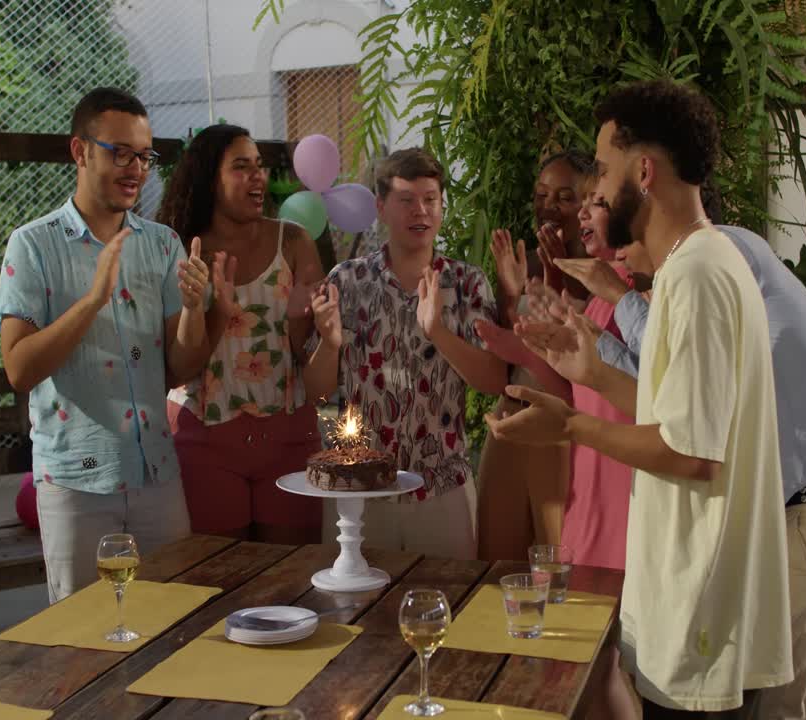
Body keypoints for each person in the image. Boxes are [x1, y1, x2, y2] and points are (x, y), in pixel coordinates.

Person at [487, 80, 793, 717]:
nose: (596, 189)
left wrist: (570, 426)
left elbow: (690, 454)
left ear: (645, 172)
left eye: (603, 168)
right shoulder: (696, 265)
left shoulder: (699, 274)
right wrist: (594, 373)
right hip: (692, 605)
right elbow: (679, 417)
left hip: (700, 608)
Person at [553, 214, 806, 719]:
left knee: (765, 707)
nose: (598, 223)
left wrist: (619, 302)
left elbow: (684, 417)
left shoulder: (719, 252)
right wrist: (592, 352)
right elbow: (669, 394)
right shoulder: (684, 277)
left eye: (606, 197)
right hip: (783, 518)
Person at [0, 88, 212, 602]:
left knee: (172, 623)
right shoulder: (33, 245)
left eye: (144, 155)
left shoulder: (161, 243)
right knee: (81, 648)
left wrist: (196, 310)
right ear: (80, 151)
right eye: (120, 152)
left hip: (157, 473)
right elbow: (19, 370)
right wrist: (92, 300)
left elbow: (178, 369)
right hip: (75, 481)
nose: (135, 168)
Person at [303, 148, 506, 560]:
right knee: (357, 611)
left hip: (441, 485)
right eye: (407, 200)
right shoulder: (347, 280)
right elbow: (317, 393)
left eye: (431, 199)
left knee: (446, 608)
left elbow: (493, 380)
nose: (422, 211)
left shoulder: (467, 283)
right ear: (380, 206)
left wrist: (437, 331)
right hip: (359, 485)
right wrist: (329, 342)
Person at [157, 124, 325, 544]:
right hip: (204, 440)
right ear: (209, 179)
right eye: (241, 167)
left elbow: (312, 351)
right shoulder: (180, 249)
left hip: (288, 438)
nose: (257, 176)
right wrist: (213, 311)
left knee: (290, 581)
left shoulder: (294, 242)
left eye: (259, 166)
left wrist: (312, 323)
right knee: (218, 584)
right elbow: (174, 367)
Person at [475, 151, 594, 561]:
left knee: (556, 558)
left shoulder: (601, 270)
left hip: (558, 429)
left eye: (564, 197)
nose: (549, 206)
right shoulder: (537, 268)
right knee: (496, 556)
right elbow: (517, 346)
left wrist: (558, 278)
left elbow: (579, 366)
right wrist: (511, 294)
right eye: (542, 194)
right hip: (510, 414)